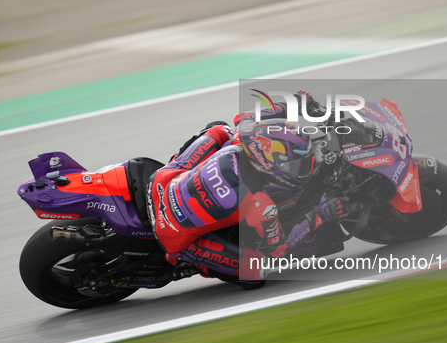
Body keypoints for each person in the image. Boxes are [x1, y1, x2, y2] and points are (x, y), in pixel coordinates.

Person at [146, 91, 349, 288]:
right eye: (296, 166)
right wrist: (323, 214)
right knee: (257, 271)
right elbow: (279, 248)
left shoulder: (244, 133)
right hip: (172, 235)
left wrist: (297, 102)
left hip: (160, 184)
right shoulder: (261, 205)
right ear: (269, 165)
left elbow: (247, 115)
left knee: (219, 130)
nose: (304, 170)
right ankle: (190, 263)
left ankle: (175, 164)